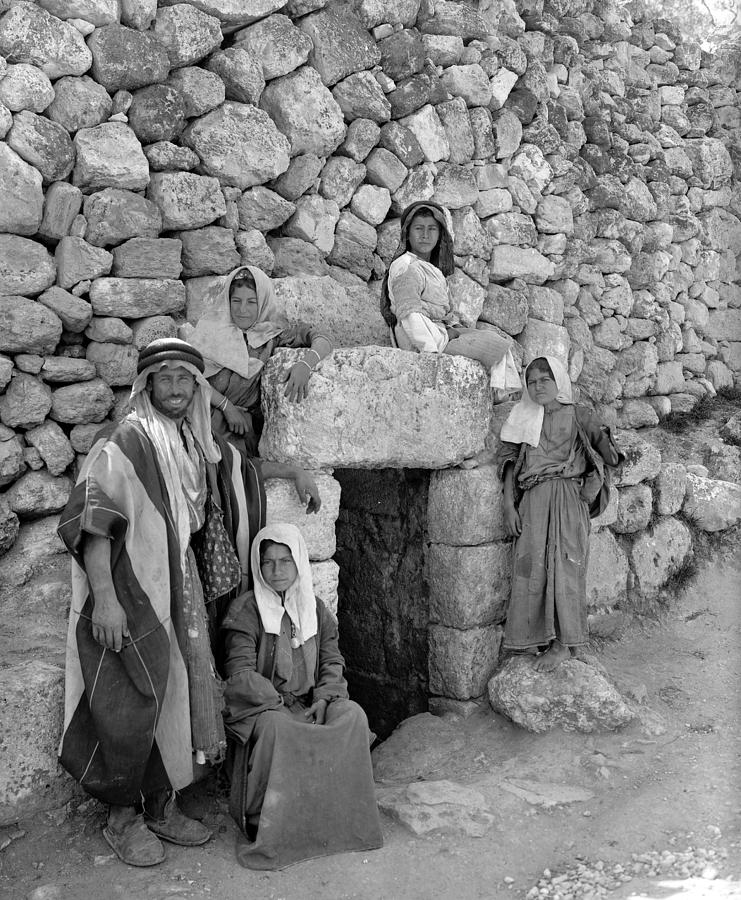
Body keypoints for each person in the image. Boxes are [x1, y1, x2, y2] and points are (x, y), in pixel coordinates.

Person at [57, 339, 321, 868]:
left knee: (174, 693)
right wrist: (106, 600)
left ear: (196, 387)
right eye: (165, 377)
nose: (176, 387)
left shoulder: (194, 440)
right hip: (133, 591)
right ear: (147, 384)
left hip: (182, 587)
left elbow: (239, 469)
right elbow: (94, 521)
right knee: (130, 697)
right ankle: (121, 817)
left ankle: (159, 803)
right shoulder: (125, 442)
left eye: (185, 378)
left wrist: (292, 472)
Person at [220, 523, 383, 870]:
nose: (276, 571)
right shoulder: (245, 611)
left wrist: (325, 698)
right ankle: (267, 821)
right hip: (267, 707)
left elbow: (332, 659)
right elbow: (240, 673)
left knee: (352, 716)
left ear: (299, 564)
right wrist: (277, 703)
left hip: (311, 704)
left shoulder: (316, 608)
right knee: (279, 728)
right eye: (268, 562)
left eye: (285, 561)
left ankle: (338, 818)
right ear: (258, 566)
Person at [497, 356, 623, 672]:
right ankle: (542, 642)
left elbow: (610, 456)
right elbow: (511, 464)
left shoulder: (579, 414)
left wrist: (598, 465)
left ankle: (569, 644)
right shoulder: (522, 417)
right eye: (532, 381)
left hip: (569, 501)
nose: (538, 387)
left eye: (545, 380)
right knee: (533, 568)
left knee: (568, 567)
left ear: (559, 382)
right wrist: (509, 505)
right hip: (533, 502)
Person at [185, 265, 332, 455]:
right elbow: (188, 373)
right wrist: (225, 406)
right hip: (195, 418)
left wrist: (305, 364)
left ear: (262, 302)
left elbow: (323, 338)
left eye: (251, 302)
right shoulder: (208, 329)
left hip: (237, 433)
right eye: (236, 301)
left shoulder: (271, 335)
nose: (242, 310)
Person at [379, 201, 520, 398]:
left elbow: (443, 312)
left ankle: (496, 395)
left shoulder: (432, 269)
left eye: (432, 229)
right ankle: (496, 396)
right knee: (494, 344)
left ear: (440, 235)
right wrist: (431, 354)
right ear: (407, 234)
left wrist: (451, 329)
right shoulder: (406, 266)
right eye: (418, 228)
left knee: (499, 343)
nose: (425, 235)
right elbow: (408, 312)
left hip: (440, 332)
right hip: (423, 339)